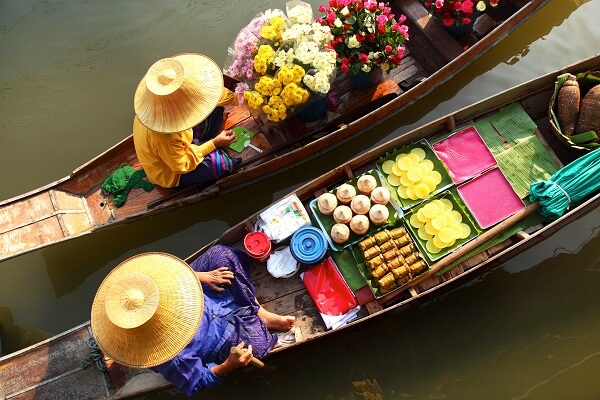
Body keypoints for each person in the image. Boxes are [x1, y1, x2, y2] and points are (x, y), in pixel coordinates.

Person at [90, 246, 295, 398]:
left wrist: (202, 277)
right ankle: (251, 314)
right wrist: (227, 366)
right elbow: (197, 382)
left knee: (220, 255)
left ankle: (259, 312)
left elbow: (172, 273)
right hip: (218, 334)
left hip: (203, 294)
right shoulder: (168, 355)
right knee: (257, 346)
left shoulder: (131, 288)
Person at [132, 53, 240, 188]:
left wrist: (240, 98)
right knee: (223, 164)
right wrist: (214, 143)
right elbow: (182, 165)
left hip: (182, 142)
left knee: (213, 106)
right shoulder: (164, 135)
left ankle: (206, 143)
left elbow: (209, 93)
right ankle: (212, 145)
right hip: (173, 170)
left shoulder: (153, 106)